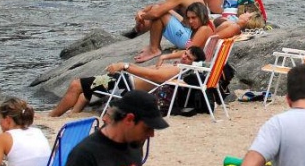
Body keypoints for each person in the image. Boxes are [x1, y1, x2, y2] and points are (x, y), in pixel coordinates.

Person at [50, 46, 205, 117]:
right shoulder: (179, 67)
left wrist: (124, 66)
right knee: (85, 92)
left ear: (193, 63)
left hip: (124, 85)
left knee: (76, 84)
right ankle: (72, 115)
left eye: (188, 57)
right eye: (185, 54)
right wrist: (165, 57)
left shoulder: (176, 70)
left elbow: (151, 75)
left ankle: (53, 116)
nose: (184, 57)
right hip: (124, 83)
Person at [62, 90, 169, 166]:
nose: (151, 134)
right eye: (147, 128)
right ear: (129, 119)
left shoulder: (134, 147)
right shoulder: (85, 154)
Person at [132, 0, 204, 63]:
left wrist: (141, 16)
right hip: (192, 32)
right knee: (159, 9)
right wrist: (143, 11)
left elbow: (156, 13)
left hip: (189, 39)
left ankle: (154, 49)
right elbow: (161, 6)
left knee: (159, 15)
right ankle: (152, 45)